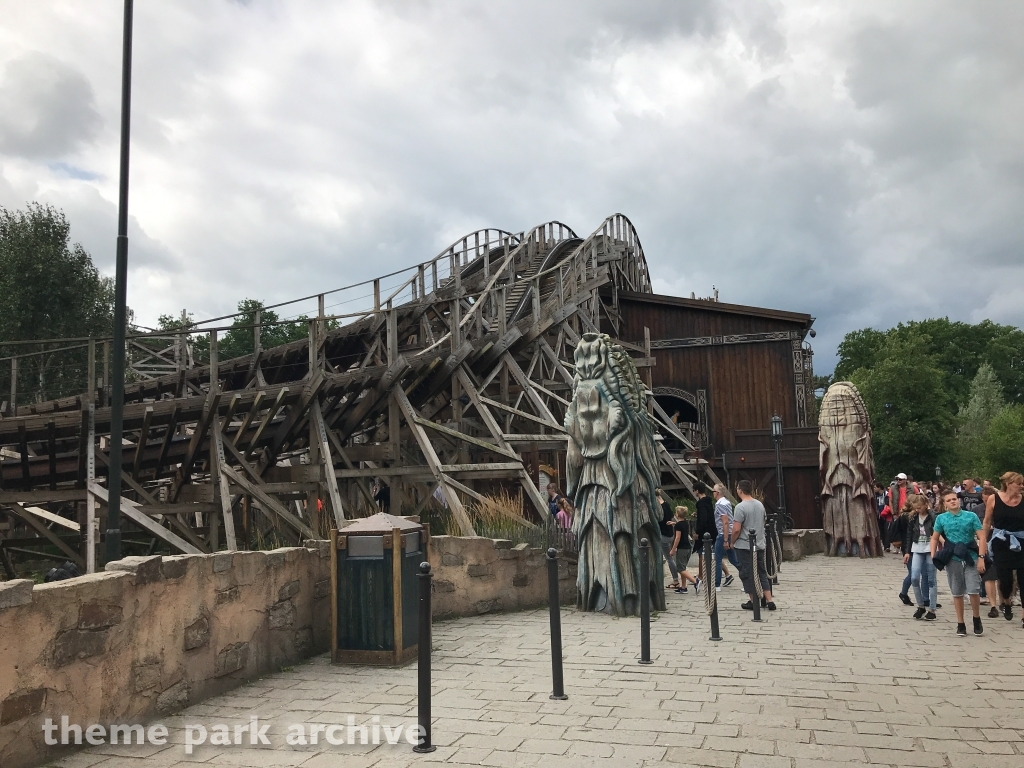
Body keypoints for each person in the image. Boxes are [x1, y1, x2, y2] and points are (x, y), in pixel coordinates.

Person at [931, 489, 986, 636]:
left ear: (958, 500)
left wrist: (981, 557)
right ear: (944, 504)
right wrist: (933, 555)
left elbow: (981, 537)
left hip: (970, 555)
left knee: (973, 589)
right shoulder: (941, 518)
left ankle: (976, 618)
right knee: (957, 591)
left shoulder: (971, 516)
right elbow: (935, 537)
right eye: (949, 500)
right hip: (952, 556)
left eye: (954, 499)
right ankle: (960, 623)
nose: (952, 502)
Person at [982, 471, 1024, 627]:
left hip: (1021, 542)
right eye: (1019, 483)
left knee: (1023, 580)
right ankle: (1006, 601)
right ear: (1008, 484)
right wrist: (983, 543)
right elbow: (987, 522)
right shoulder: (994, 499)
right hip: (1001, 543)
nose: (1022, 486)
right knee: (1005, 581)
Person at [730, 480, 775, 610]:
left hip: (745, 545)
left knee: (747, 573)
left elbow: (736, 529)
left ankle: (753, 600)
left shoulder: (740, 507)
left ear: (740, 490)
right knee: (761, 572)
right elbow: (763, 521)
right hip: (760, 543)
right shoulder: (760, 504)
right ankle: (769, 600)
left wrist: (732, 541)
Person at [902, 494, 937, 620]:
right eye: (916, 508)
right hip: (917, 548)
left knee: (931, 579)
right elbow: (909, 534)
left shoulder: (933, 516)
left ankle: (932, 609)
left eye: (920, 507)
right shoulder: (913, 517)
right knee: (914, 577)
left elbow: (937, 530)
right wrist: (907, 552)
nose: (918, 510)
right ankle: (921, 606)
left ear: (926, 505)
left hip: (930, 548)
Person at [975, 486, 1000, 616]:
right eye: (984, 500)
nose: (986, 503)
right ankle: (993, 605)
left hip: (1000, 543)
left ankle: (1005, 601)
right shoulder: (977, 510)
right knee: (989, 574)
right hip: (984, 542)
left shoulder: (1001, 509)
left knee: (1002, 576)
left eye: (988, 500)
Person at [712, 483, 739, 590]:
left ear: (717, 493)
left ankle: (716, 584)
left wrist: (725, 539)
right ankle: (748, 577)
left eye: (713, 491)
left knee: (717, 559)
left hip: (723, 533)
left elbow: (725, 522)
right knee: (733, 559)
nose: (712, 493)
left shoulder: (720, 504)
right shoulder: (726, 502)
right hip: (729, 532)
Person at [656, 489, 681, 589]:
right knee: (671, 558)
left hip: (664, 535)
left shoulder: (658, 507)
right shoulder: (666, 504)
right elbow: (671, 516)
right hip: (670, 533)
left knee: (669, 559)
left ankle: (676, 580)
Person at [669, 506, 697, 593]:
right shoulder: (685, 523)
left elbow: (677, 538)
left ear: (677, 514)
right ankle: (683, 587)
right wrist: (674, 523)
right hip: (688, 547)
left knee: (680, 569)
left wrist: (673, 549)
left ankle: (695, 581)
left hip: (681, 548)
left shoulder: (678, 525)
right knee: (683, 568)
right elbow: (681, 526)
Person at [693, 482, 717, 584]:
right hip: (712, 530)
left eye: (694, 490)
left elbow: (703, 519)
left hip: (704, 532)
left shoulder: (701, 503)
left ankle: (701, 576)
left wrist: (697, 532)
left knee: (701, 554)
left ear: (697, 491)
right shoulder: (708, 501)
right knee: (710, 553)